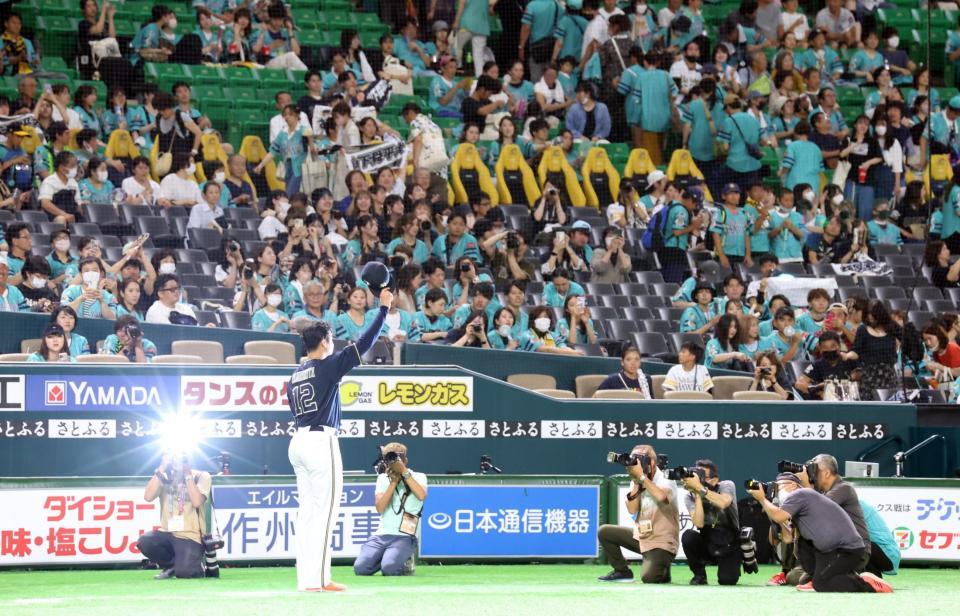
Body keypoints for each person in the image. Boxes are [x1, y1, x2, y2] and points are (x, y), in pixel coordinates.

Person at [287, 286, 392, 591]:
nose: (333, 344)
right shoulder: (327, 365)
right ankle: (318, 581)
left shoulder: (296, 373)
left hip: (299, 440)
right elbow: (365, 343)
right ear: (323, 342)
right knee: (325, 515)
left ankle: (308, 579)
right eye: (331, 339)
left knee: (306, 515)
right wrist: (383, 310)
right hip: (320, 442)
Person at [747, 473, 890, 593]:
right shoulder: (794, 506)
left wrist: (762, 499)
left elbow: (777, 515)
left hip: (846, 550)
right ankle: (834, 576)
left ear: (795, 486)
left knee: (821, 584)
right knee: (805, 577)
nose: (779, 489)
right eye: (777, 486)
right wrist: (778, 517)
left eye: (782, 485)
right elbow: (788, 538)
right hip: (829, 550)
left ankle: (866, 583)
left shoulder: (801, 494)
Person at [597, 444, 678, 583]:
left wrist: (641, 477)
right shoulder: (637, 480)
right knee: (604, 532)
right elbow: (632, 509)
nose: (637, 465)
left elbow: (662, 497)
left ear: (652, 462)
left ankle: (662, 567)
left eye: (640, 461)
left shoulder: (666, 477)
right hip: (642, 537)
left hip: (662, 542)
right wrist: (636, 482)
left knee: (649, 578)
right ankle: (622, 571)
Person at [354, 442, 427, 576]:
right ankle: (389, 555)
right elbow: (380, 508)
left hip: (405, 535)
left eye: (398, 458)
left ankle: (402, 560)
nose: (394, 462)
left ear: (406, 460)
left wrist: (404, 473)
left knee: (390, 569)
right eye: (391, 459)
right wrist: (393, 482)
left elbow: (421, 495)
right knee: (361, 569)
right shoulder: (383, 479)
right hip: (382, 534)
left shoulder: (419, 476)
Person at [136, 452, 213, 579]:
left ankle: (193, 565)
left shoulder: (201, 476)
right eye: (173, 456)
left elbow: (197, 502)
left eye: (180, 457)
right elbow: (148, 497)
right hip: (167, 532)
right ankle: (171, 566)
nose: (176, 460)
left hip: (190, 535)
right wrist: (161, 467)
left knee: (186, 573)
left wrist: (187, 474)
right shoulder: (164, 476)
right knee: (145, 541)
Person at [680, 459, 741, 586]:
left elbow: (724, 502)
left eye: (703, 477)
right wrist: (697, 494)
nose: (698, 480)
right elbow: (699, 524)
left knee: (727, 580)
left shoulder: (726, 485)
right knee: (689, 536)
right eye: (696, 476)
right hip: (707, 541)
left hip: (729, 543)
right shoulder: (689, 497)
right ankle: (699, 574)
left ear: (714, 480)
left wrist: (699, 487)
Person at [843, 300, 900, 401]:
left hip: (889, 375)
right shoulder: (862, 330)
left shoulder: (891, 328)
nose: (870, 318)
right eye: (868, 315)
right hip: (869, 376)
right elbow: (856, 351)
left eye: (873, 315)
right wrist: (847, 356)